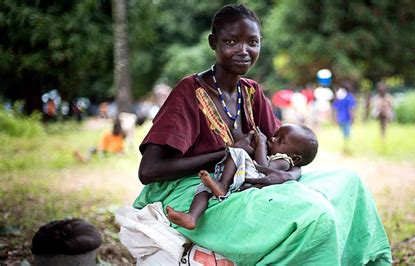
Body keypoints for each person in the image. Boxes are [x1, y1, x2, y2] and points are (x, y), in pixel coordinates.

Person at [133, 4, 392, 265]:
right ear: (214, 42)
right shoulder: (189, 91)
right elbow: (149, 171)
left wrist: (287, 174)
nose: (243, 51)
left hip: (247, 181)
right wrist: (226, 153)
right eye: (231, 41)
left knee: (350, 182)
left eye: (252, 42)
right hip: (198, 191)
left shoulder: (252, 92)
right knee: (316, 214)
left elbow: (283, 149)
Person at [166, 124, 318, 230]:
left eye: (280, 140)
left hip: (256, 178)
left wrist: (261, 144)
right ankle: (191, 217)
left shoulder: (284, 161)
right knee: (204, 188)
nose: (272, 139)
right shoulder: (280, 156)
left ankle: (222, 186)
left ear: (296, 158)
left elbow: (263, 166)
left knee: (238, 152)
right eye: (275, 135)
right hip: (246, 178)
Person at [332, 82, 357, 154]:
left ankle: (344, 148)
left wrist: (334, 119)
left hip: (340, 118)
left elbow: (335, 108)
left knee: (343, 134)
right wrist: (353, 118)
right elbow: (351, 109)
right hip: (347, 119)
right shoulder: (350, 97)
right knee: (347, 135)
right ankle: (346, 148)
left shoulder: (339, 98)